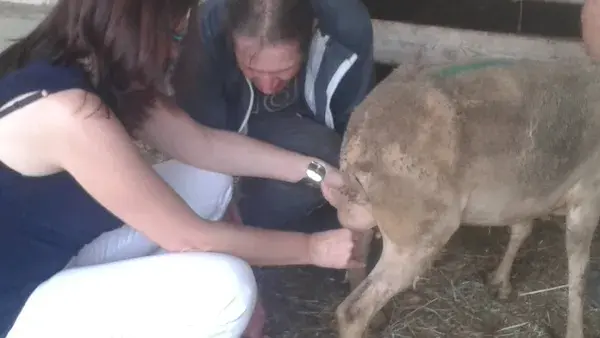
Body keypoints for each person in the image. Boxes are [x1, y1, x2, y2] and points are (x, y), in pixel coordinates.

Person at [0, 1, 363, 337]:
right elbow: (191, 237)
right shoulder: (72, 116)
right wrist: (313, 249)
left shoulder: (90, 69)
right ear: (135, 28)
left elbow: (202, 145)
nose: (176, 50)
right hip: (18, 304)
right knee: (229, 289)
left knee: (211, 179)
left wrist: (315, 170)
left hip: (53, 251)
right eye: (174, 34)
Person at [173, 0, 375, 232]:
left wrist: (333, 175)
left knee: (330, 153)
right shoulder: (208, 25)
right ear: (230, 38)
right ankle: (243, 224)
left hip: (304, 137)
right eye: (251, 69)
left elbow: (353, 126)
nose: (268, 87)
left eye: (282, 71)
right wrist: (222, 192)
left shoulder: (346, 28)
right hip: (227, 140)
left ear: (310, 34)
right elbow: (200, 137)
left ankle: (256, 224)